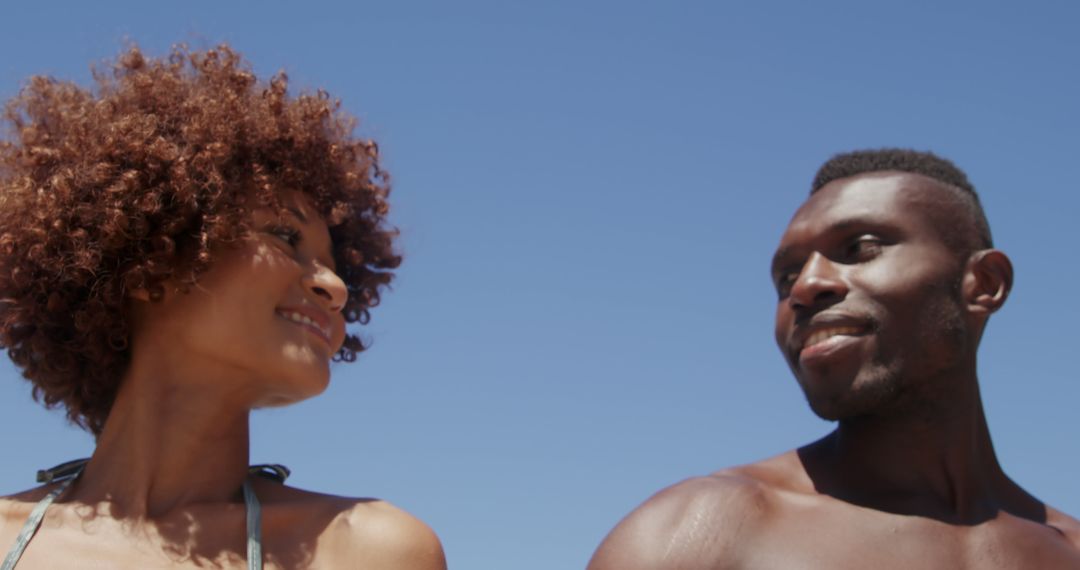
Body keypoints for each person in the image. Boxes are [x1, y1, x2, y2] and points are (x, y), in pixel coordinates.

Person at [0, 44, 446, 568]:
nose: (335, 287)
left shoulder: (368, 551)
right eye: (285, 237)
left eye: (339, 270)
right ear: (151, 257)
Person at [588, 149, 1080, 569]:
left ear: (984, 284)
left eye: (860, 248)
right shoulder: (698, 536)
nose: (805, 287)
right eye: (786, 279)